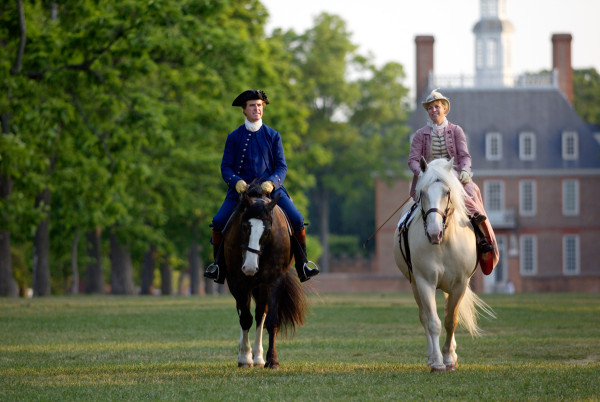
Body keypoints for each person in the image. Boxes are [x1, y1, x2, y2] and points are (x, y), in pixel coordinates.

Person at [204, 89, 320, 284]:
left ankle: (303, 265)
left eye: (259, 105)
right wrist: (236, 182)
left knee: (298, 219)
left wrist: (272, 182)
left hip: (270, 189)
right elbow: (225, 167)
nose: (256, 109)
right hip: (241, 191)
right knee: (218, 221)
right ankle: (218, 267)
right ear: (244, 110)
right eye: (252, 106)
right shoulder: (233, 137)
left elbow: (281, 166)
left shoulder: (273, 135)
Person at [407, 89, 499, 275]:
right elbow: (413, 160)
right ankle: (404, 238)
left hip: (453, 177)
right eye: (430, 108)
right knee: (409, 214)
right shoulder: (419, 135)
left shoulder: (456, 131)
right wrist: (423, 174)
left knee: (472, 197)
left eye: (437, 107)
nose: (434, 110)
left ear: (444, 109)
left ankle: (484, 240)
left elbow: (464, 156)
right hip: (429, 180)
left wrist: (465, 170)